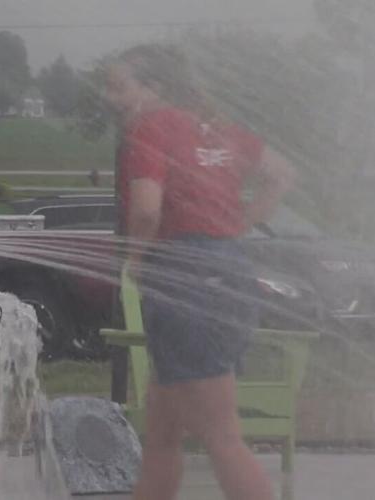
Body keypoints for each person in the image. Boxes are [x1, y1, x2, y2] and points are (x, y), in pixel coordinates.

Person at [105, 44, 295, 500]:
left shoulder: (149, 128)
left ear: (153, 88)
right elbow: (282, 174)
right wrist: (234, 229)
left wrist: (133, 260)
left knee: (221, 437)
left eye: (117, 87)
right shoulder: (215, 128)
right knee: (163, 436)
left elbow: (148, 210)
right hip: (227, 274)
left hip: (186, 283)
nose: (107, 98)